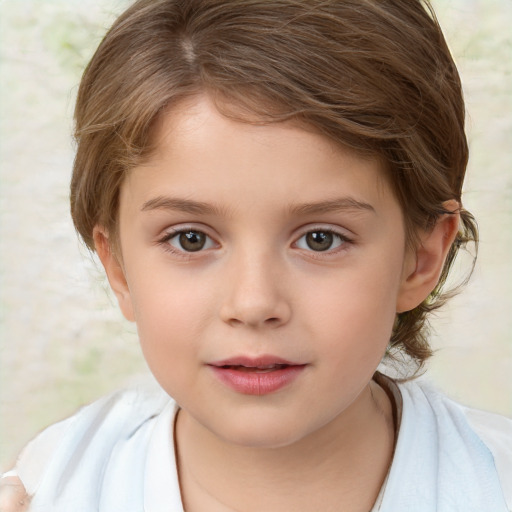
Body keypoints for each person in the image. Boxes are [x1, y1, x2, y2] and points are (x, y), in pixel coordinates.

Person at [1, 0, 511, 510]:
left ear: (420, 258)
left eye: (320, 239)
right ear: (118, 267)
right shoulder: (53, 486)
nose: (252, 303)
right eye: (190, 239)